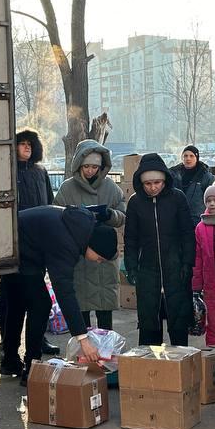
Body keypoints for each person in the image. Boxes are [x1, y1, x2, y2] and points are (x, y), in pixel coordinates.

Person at [0, 204, 119, 384]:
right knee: (40, 304)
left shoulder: (82, 224)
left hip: (12, 243)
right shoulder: (67, 243)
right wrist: (83, 339)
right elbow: (64, 292)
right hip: (17, 249)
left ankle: (9, 360)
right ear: (92, 246)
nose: (99, 262)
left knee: (17, 303)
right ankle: (31, 367)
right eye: (100, 258)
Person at [53, 139, 127, 331]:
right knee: (80, 308)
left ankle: (106, 349)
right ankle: (84, 352)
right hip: (78, 256)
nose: (90, 171)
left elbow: (123, 215)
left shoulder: (111, 187)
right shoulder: (67, 188)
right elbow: (56, 217)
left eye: (95, 166)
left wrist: (110, 214)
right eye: (86, 166)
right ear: (79, 164)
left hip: (104, 256)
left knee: (105, 311)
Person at [0, 129, 59, 359]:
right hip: (13, 243)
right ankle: (6, 346)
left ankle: (38, 339)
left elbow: (49, 203)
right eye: (22, 144)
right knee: (10, 297)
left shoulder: (40, 172)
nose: (26, 148)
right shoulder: (7, 172)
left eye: (30, 145)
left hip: (37, 243)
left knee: (35, 298)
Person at [124, 153, 196, 346]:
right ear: (141, 183)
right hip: (147, 268)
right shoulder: (135, 202)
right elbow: (130, 238)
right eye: (148, 184)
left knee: (178, 318)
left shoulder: (177, 198)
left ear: (165, 180)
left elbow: (187, 233)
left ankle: (180, 363)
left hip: (176, 266)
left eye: (157, 182)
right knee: (149, 320)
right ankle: (151, 368)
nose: (153, 187)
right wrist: (131, 266)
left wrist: (188, 263)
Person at [191, 182, 215, 346]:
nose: (212, 204)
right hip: (210, 283)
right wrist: (196, 285)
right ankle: (213, 355)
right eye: (209, 201)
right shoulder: (200, 227)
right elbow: (197, 259)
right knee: (214, 321)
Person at [170, 145, 215, 225]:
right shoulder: (173, 175)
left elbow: (212, 198)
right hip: (177, 220)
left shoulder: (205, 177)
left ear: (196, 158)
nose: (188, 159)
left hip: (198, 220)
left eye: (191, 156)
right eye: (185, 156)